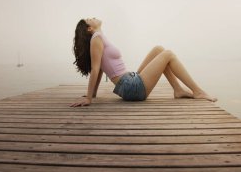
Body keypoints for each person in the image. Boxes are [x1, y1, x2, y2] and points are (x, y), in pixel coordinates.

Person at [70, 18, 217, 107]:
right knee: (168, 54)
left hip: (131, 80)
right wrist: (89, 98)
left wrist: (93, 94)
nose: (93, 17)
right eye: (89, 19)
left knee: (158, 50)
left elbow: (101, 68)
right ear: (89, 28)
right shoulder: (96, 38)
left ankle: (178, 90)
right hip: (131, 87)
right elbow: (96, 69)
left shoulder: (99, 38)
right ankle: (198, 92)